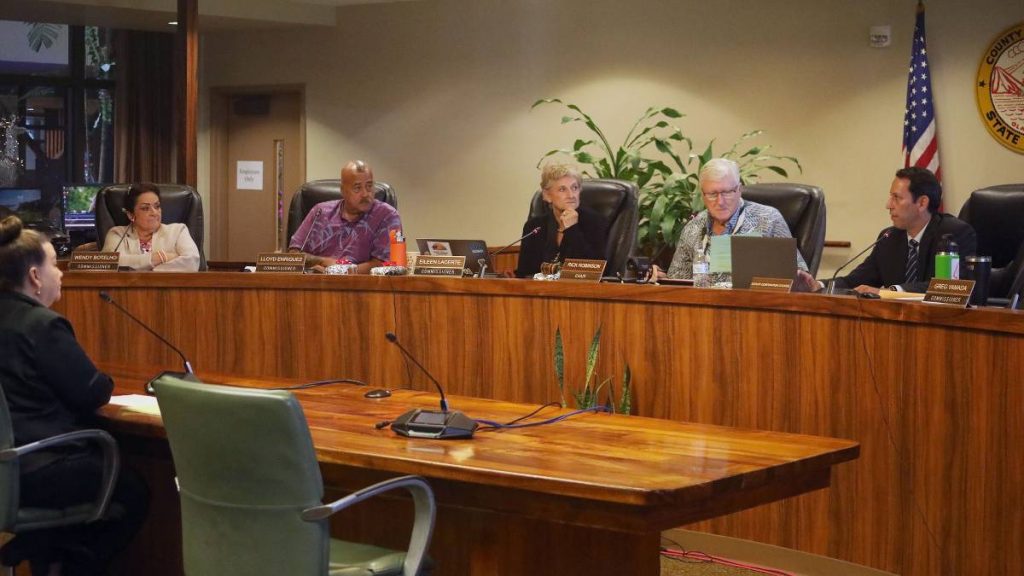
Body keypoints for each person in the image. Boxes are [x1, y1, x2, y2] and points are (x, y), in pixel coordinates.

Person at [0, 216, 148, 576]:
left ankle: (46, 549)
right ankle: (73, 564)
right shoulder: (42, 325)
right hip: (38, 469)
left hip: (9, 467)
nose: (61, 272)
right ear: (35, 277)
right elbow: (93, 392)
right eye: (53, 264)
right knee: (133, 492)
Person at [660, 158, 810, 286]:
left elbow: (799, 278)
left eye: (727, 192)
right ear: (703, 195)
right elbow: (677, 282)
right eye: (712, 194)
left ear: (739, 190)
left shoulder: (768, 219)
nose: (720, 201)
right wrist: (659, 278)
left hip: (755, 310)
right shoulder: (694, 227)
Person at [832, 167, 976, 294]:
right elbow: (855, 281)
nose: (888, 205)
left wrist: (892, 292)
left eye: (897, 198)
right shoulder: (889, 237)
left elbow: (949, 287)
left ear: (922, 203)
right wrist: (819, 285)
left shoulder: (954, 234)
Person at [289, 160, 402, 274]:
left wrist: (335, 271)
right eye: (357, 188)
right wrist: (323, 261)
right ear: (343, 191)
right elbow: (294, 255)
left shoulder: (386, 215)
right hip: (313, 285)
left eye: (369, 186)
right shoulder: (320, 212)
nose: (365, 194)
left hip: (363, 288)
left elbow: (382, 264)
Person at [515, 163, 609, 278]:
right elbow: (525, 274)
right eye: (562, 189)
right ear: (547, 195)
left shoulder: (595, 222)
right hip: (540, 292)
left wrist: (572, 229)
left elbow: (594, 272)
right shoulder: (534, 227)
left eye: (575, 188)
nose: (571, 195)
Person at [100, 182, 201, 271]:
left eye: (157, 206)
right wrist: (161, 257)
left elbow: (192, 262)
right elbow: (110, 263)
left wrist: (149, 273)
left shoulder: (178, 231)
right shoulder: (117, 234)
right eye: (145, 208)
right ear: (131, 215)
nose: (154, 212)